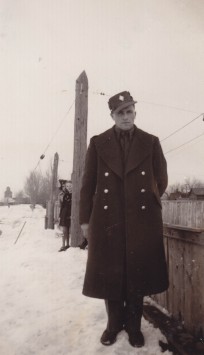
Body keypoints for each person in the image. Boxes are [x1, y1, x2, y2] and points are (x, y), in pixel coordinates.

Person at [79, 91, 168, 348]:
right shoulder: (98, 143)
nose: (126, 117)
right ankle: (113, 325)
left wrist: (144, 204)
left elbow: (160, 179)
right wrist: (85, 221)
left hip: (142, 219)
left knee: (136, 274)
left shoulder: (150, 142)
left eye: (130, 112)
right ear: (112, 116)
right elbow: (88, 185)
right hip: (108, 219)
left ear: (135, 114)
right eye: (121, 113)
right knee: (111, 273)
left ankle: (134, 327)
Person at [58, 180, 72, 252]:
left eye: (70, 186)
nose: (69, 187)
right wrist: (60, 215)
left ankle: (68, 244)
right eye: (67, 186)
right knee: (64, 230)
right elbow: (62, 206)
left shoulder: (74, 195)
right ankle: (63, 245)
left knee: (70, 230)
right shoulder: (65, 195)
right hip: (64, 214)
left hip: (71, 214)